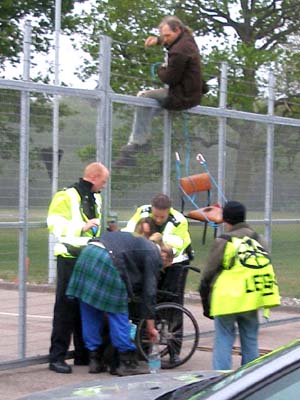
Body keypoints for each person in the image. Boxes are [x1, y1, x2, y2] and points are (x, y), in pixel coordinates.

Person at [66, 230, 173, 376]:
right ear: (164, 257)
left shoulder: (139, 242)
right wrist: (151, 327)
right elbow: (149, 292)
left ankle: (94, 360)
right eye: (163, 267)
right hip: (107, 260)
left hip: (87, 254)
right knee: (118, 310)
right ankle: (127, 362)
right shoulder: (153, 253)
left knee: (90, 309)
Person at [115, 15, 207, 167]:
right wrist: (159, 41)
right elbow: (173, 46)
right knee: (146, 110)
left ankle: (138, 142)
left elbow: (169, 78)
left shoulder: (179, 51)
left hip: (181, 96)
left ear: (177, 30)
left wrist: (160, 69)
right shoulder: (187, 39)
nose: (165, 39)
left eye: (167, 36)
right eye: (163, 36)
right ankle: (136, 144)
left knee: (143, 97)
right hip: (189, 93)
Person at [199, 201, 281, 370]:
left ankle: (220, 380)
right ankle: (250, 379)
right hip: (251, 298)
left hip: (226, 300)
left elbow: (208, 273)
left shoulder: (223, 241)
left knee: (224, 339)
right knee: (250, 338)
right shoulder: (258, 239)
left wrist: (205, 298)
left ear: (225, 219)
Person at [47, 162, 109, 374]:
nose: (104, 185)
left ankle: (83, 353)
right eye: (103, 180)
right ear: (93, 177)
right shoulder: (66, 196)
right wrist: (80, 228)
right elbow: (54, 224)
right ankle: (57, 357)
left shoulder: (96, 197)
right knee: (65, 308)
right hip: (69, 256)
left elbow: (95, 224)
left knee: (87, 305)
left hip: (88, 256)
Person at [123, 193, 193, 363]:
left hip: (174, 261)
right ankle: (143, 346)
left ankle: (174, 351)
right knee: (145, 299)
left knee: (173, 304)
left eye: (162, 216)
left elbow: (176, 246)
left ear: (169, 211)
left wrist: (159, 245)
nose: (159, 219)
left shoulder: (179, 221)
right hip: (150, 258)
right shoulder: (142, 212)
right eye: (156, 216)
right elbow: (131, 232)